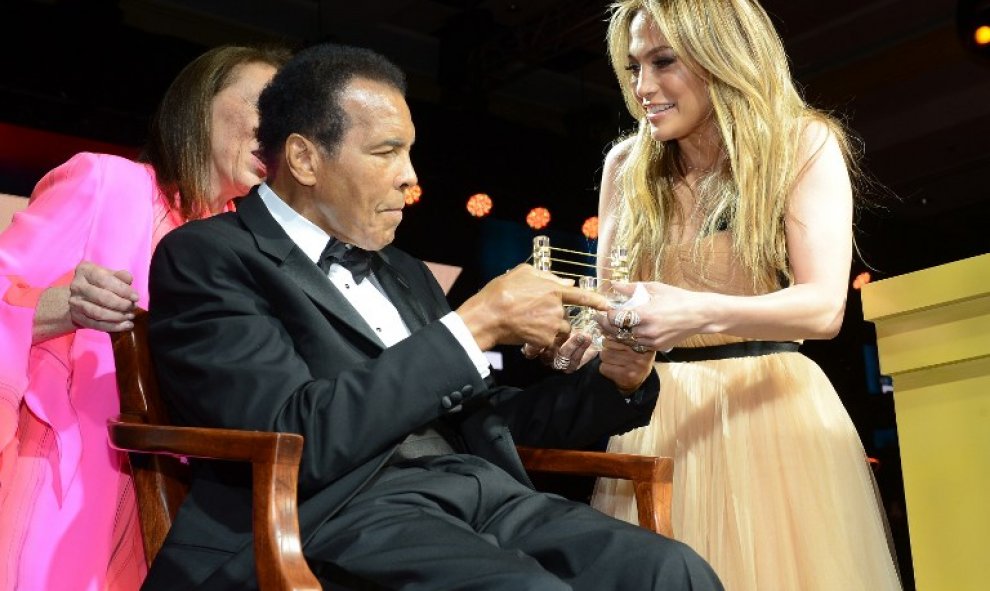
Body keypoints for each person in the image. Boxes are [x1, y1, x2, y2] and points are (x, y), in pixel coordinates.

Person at [143, 43, 724, 591]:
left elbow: (491, 421)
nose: (410, 175)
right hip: (329, 513)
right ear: (303, 158)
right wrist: (475, 326)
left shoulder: (404, 270)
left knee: (671, 571)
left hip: (479, 494)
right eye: (385, 151)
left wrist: (615, 378)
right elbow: (291, 435)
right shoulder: (209, 256)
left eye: (409, 150)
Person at [582, 1, 903, 589]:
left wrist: (696, 312)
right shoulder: (625, 165)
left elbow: (823, 307)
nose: (643, 87)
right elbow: (610, 310)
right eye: (633, 68)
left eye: (663, 62)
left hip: (772, 415)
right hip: (654, 421)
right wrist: (570, 339)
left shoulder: (801, 143)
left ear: (720, 57)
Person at [0, 45, 289, 590]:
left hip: (178, 500)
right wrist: (61, 306)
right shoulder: (108, 182)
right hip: (63, 479)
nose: (273, 134)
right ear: (200, 103)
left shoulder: (244, 249)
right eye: (263, 108)